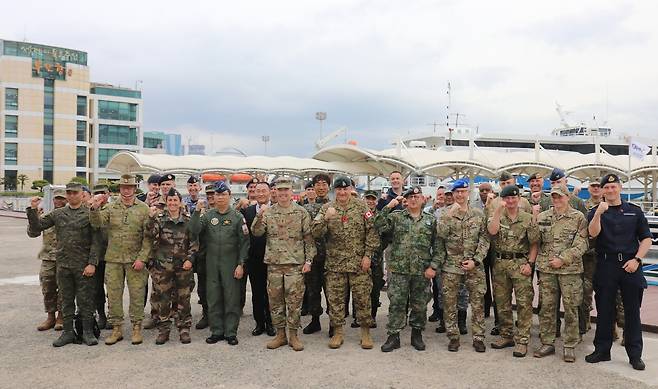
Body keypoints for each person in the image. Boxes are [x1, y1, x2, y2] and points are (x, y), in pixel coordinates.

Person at [585, 174, 652, 371]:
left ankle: (635, 354)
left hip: (631, 265)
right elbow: (593, 233)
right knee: (605, 310)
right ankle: (602, 350)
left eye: (613, 187)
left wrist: (637, 260)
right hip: (606, 265)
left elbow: (646, 239)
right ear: (603, 191)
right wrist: (598, 213)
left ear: (620, 188)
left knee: (633, 312)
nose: (610, 191)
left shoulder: (634, 211)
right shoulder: (596, 210)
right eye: (607, 188)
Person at [27, 182, 99, 347]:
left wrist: (92, 263)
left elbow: (97, 240)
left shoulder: (90, 214)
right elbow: (37, 226)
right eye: (69, 193)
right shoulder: (58, 214)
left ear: (82, 195)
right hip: (64, 265)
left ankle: (87, 332)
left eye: (75, 193)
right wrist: (32, 209)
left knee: (85, 300)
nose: (72, 196)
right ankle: (67, 333)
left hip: (83, 265)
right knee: (66, 300)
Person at [311, 175, 379, 349]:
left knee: (363, 299)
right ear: (335, 191)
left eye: (345, 188)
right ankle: (338, 333)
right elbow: (315, 233)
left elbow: (372, 232)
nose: (342, 192)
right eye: (339, 189)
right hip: (335, 264)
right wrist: (326, 218)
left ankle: (365, 332)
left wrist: (368, 256)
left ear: (350, 189)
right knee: (335, 300)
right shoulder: (327, 208)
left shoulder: (362, 207)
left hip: (358, 263)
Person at [251, 177, 315, 351]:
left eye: (286, 190)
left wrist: (309, 261)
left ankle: (293, 335)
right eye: (280, 190)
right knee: (276, 303)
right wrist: (259, 215)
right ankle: (280, 335)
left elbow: (309, 239)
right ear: (275, 193)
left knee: (294, 302)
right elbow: (256, 232)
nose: (283, 193)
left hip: (295, 266)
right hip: (274, 265)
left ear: (291, 192)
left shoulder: (301, 213)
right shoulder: (269, 212)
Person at [90, 174, 152, 346]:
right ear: (120, 189)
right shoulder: (110, 208)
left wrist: (143, 259)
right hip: (114, 259)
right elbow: (97, 224)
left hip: (135, 260)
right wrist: (94, 209)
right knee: (114, 295)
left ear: (134, 189)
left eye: (130, 187)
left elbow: (148, 238)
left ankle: (136, 328)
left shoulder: (144, 209)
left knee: (137, 294)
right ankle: (117, 328)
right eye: (124, 188)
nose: (126, 191)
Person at [376, 186, 440, 352]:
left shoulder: (430, 220)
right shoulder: (397, 217)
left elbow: (438, 246)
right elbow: (377, 224)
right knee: (397, 304)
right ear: (405, 200)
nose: (413, 199)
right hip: (399, 270)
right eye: (409, 196)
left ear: (422, 199)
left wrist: (433, 267)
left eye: (416, 196)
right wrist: (388, 206)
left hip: (421, 271)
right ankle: (393, 336)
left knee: (419, 304)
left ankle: (416, 335)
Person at [190, 181, 249, 346]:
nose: (220, 197)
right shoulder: (208, 216)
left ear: (229, 196)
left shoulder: (237, 217)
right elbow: (194, 230)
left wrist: (241, 264)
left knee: (231, 298)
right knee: (213, 297)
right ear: (213, 197)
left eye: (223, 194)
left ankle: (230, 332)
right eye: (217, 194)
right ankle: (216, 331)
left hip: (230, 264)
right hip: (212, 263)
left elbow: (244, 243)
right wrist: (196, 212)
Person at [533, 186, 588, 362]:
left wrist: (563, 259)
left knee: (571, 308)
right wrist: (534, 217)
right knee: (547, 308)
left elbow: (582, 244)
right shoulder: (543, 217)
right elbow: (535, 240)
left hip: (569, 271)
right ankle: (547, 342)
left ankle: (570, 345)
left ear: (568, 197)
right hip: (547, 270)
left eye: (560, 196)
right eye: (554, 197)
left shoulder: (578, 217)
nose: (556, 200)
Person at [437, 179, 490, 353]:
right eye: (457, 192)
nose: (460, 195)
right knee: (450, 302)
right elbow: (441, 235)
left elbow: (484, 239)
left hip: (474, 265)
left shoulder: (478, 214)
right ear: (452, 194)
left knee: (477, 303)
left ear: (468, 193)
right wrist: (449, 215)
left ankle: (478, 337)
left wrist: (476, 260)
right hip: (451, 266)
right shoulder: (444, 213)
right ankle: (453, 336)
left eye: (463, 191)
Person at [487, 185, 539, 357]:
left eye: (513, 198)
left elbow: (534, 243)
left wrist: (530, 264)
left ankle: (522, 340)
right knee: (502, 303)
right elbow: (492, 231)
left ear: (518, 199)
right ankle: (506, 335)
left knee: (524, 303)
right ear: (503, 199)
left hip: (520, 264)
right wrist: (496, 212)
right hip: (501, 264)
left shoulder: (527, 218)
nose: (510, 201)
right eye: (507, 198)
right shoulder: (497, 216)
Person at [147, 188, 197, 344]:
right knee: (163, 299)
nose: (173, 203)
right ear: (166, 203)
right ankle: (164, 330)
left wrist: (190, 259)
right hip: (163, 267)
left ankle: (184, 329)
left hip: (183, 267)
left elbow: (194, 243)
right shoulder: (159, 219)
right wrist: (150, 219)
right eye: (170, 201)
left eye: (175, 200)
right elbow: (150, 236)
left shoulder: (188, 220)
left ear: (180, 202)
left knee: (184, 298)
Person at [26, 188, 66, 331]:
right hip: (48, 258)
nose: (59, 201)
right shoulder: (47, 216)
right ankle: (50, 316)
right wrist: (33, 214)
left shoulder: (69, 216)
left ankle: (61, 316)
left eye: (62, 198)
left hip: (65, 258)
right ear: (53, 200)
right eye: (57, 198)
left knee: (64, 289)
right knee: (47, 287)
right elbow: (33, 233)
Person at [241, 181, 276, 337]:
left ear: (269, 193)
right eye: (258, 191)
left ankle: (271, 323)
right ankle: (259, 323)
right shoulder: (247, 212)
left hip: (274, 258)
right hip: (255, 258)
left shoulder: (276, 210)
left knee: (272, 293)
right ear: (253, 192)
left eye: (264, 191)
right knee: (257, 292)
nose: (261, 193)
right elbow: (244, 236)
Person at [302, 173, 332, 335]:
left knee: (332, 291)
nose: (321, 187)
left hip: (331, 256)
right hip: (313, 257)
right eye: (318, 184)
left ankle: (334, 324)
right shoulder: (305, 209)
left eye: (324, 184)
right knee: (313, 290)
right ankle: (315, 321)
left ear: (328, 187)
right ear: (313, 188)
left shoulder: (335, 205)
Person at [194, 185, 216, 330]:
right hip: (203, 256)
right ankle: (206, 314)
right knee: (203, 288)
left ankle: (218, 315)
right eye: (208, 195)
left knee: (218, 287)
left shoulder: (227, 211)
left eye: (213, 194)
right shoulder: (201, 211)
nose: (211, 197)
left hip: (219, 256)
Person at [91, 184, 110, 330]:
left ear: (108, 194)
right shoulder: (89, 209)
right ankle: (101, 314)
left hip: (111, 255)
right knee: (97, 289)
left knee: (113, 289)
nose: (100, 196)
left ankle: (112, 315)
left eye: (102, 193)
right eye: (97, 193)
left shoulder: (114, 208)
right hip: (96, 256)